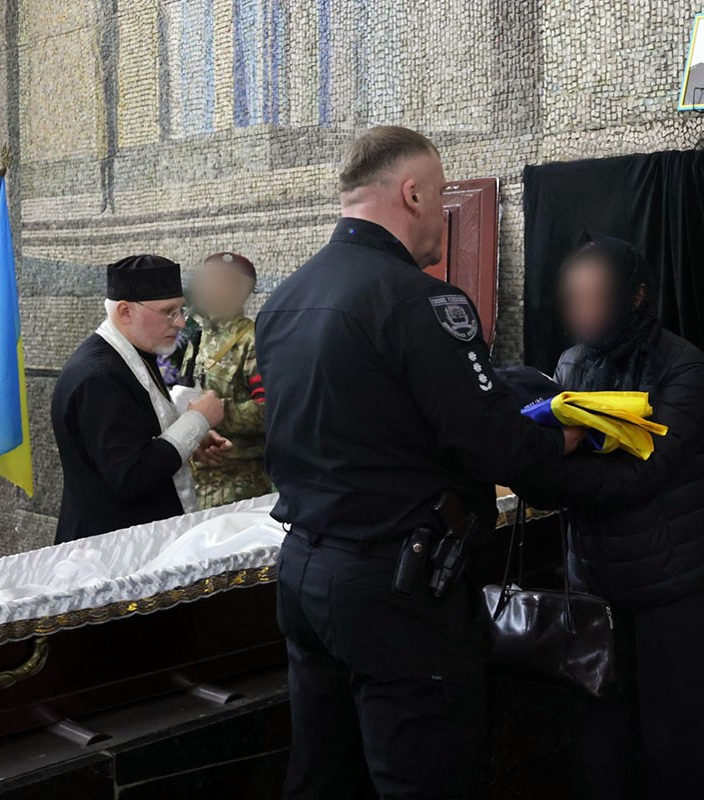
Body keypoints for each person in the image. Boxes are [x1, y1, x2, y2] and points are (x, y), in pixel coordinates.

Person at [256, 126, 582, 799]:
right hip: (396, 588)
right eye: (438, 194)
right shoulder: (420, 301)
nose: (441, 210)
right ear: (411, 194)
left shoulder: (286, 300)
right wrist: (568, 440)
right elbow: (490, 442)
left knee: (323, 777)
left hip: (306, 572)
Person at [513, 234, 704, 800]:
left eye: (597, 296)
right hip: (593, 587)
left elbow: (641, 476)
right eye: (575, 297)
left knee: (672, 750)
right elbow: (556, 476)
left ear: (635, 296)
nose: (584, 311)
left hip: (669, 588)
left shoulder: (683, 365)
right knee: (601, 746)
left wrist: (556, 462)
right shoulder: (571, 363)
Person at [51, 255, 231, 544]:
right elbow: (131, 476)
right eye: (168, 312)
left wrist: (190, 439)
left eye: (181, 310)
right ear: (125, 312)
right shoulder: (99, 377)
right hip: (111, 551)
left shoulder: (134, 354)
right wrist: (197, 421)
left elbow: (140, 433)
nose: (181, 322)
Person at [180, 251, 271, 509]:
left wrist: (217, 413)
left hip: (239, 482)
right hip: (197, 477)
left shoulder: (252, 341)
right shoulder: (199, 337)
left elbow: (271, 408)